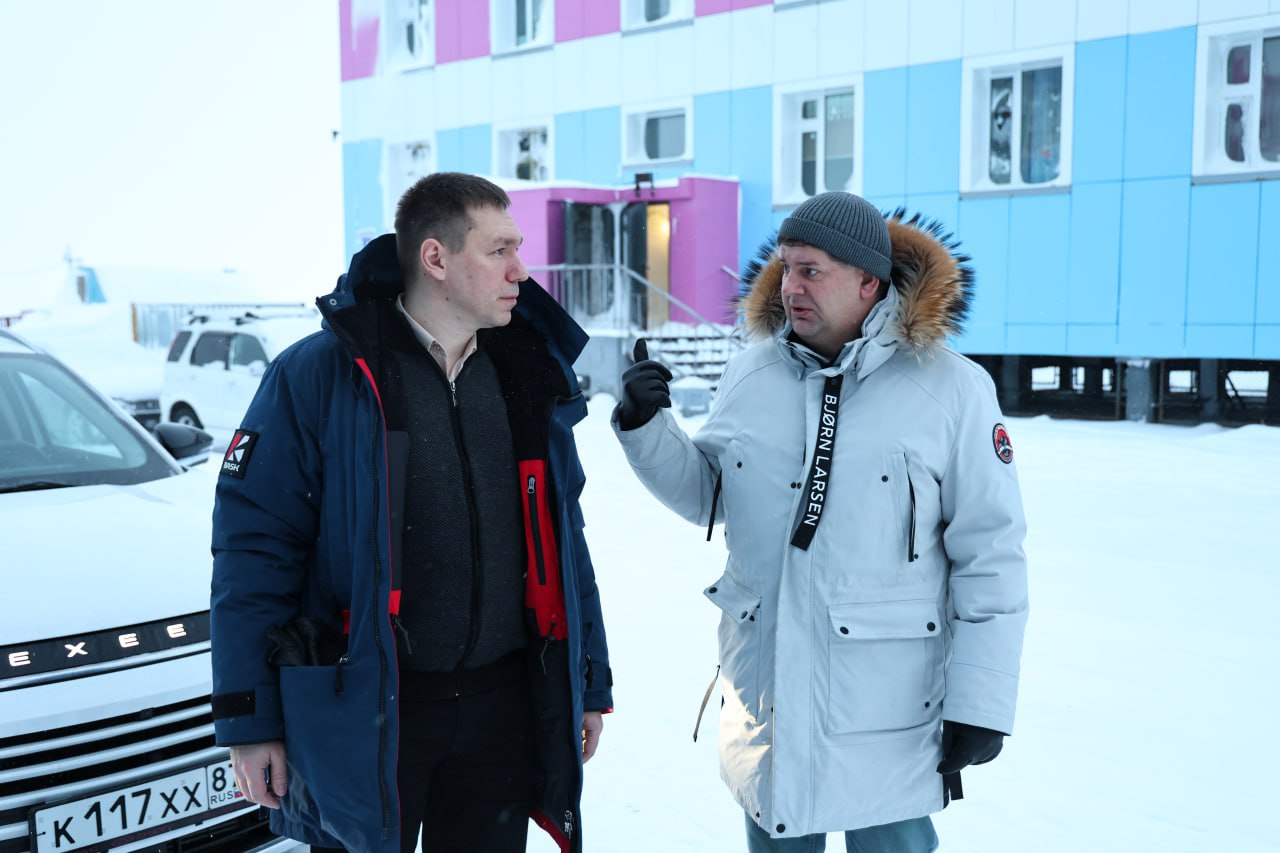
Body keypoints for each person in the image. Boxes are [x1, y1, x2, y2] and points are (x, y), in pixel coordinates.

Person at [209, 172, 613, 853]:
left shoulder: (524, 374)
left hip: (500, 712)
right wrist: (250, 721)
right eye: (500, 250)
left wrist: (588, 679)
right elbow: (255, 551)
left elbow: (564, 540)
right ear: (436, 258)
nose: (520, 270)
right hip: (369, 710)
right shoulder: (323, 376)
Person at [613, 192, 1028, 852]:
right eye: (786, 267)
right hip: (769, 693)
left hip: (887, 709)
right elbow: (710, 495)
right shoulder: (750, 373)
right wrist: (645, 426)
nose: (790, 287)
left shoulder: (952, 390)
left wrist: (980, 702)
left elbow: (991, 557)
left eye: (811, 270)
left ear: (868, 281)